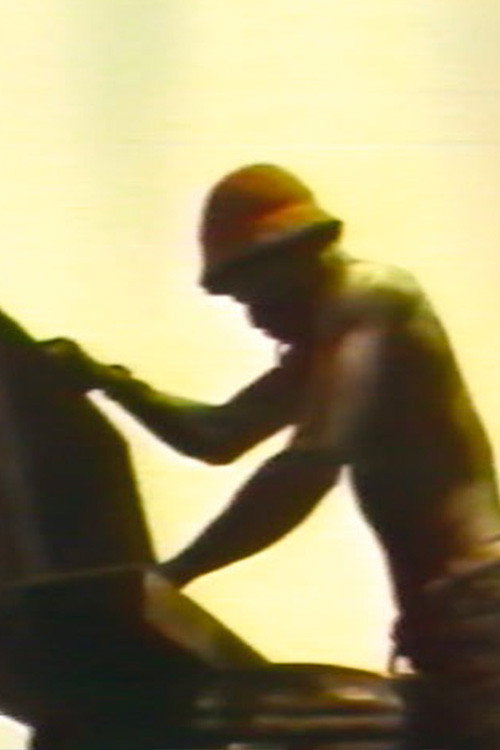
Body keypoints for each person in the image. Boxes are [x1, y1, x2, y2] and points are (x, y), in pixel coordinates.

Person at [44, 164, 500, 748]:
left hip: (478, 609)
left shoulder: (371, 296)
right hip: (440, 626)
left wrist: (176, 573)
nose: (255, 319)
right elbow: (218, 434)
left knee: (243, 715)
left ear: (295, 258)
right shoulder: (327, 346)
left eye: (252, 294)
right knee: (259, 718)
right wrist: (111, 381)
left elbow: (308, 465)